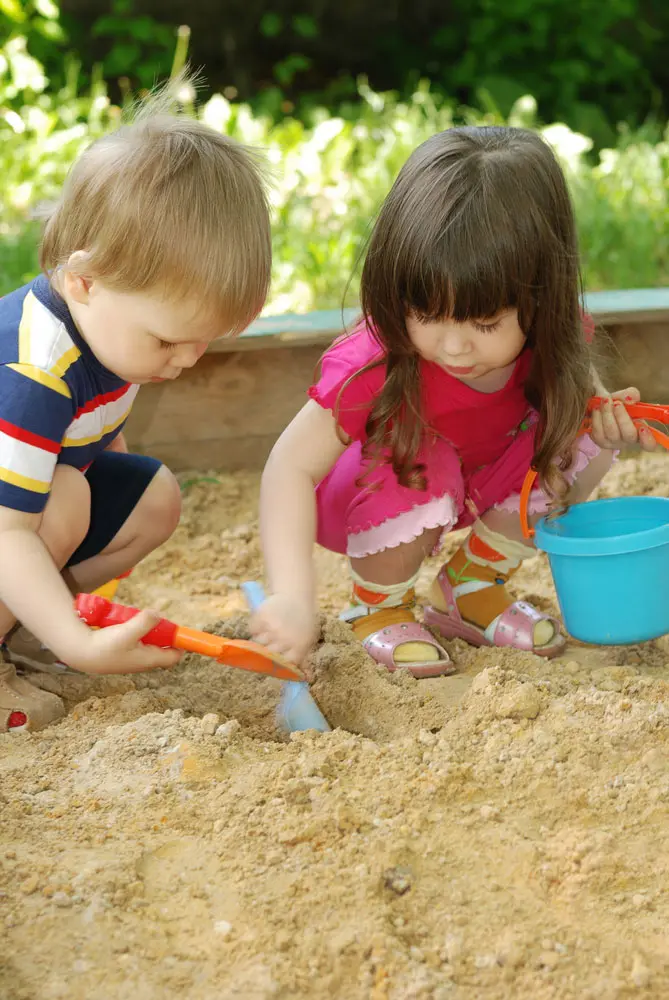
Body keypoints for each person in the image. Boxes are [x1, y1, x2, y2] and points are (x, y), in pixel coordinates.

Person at [252, 125, 655, 677]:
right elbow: (289, 467)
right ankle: (378, 608)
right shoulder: (376, 363)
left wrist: (612, 426)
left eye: (486, 323)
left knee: (580, 434)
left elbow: (590, 406)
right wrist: (293, 595)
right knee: (421, 455)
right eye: (427, 317)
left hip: (483, 480)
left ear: (542, 297)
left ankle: (470, 586)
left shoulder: (552, 340)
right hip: (386, 489)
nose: (455, 346)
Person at [0, 79, 271, 731]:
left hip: (23, 513)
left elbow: (98, 443)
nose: (188, 359)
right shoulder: (32, 371)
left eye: (204, 340)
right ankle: (44, 631)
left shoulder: (118, 329)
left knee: (151, 496)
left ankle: (30, 628)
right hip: (5, 526)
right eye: (171, 341)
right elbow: (7, 535)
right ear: (82, 281)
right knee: (61, 499)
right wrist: (79, 642)